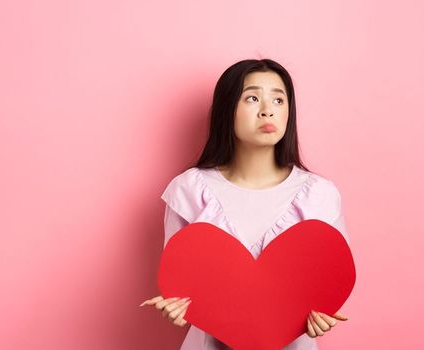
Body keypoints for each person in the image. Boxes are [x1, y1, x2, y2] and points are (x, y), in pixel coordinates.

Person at [139, 58, 349, 349]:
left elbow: (329, 281)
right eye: (252, 98)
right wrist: (177, 308)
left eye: (278, 99)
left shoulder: (319, 195)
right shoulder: (189, 190)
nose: (268, 109)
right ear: (227, 110)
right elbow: (180, 282)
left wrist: (319, 315)